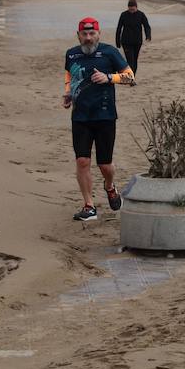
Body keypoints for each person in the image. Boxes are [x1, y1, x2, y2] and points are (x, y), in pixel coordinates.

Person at [63, 17, 136, 221]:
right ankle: (89, 205)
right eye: (84, 34)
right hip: (80, 117)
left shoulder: (110, 52)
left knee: (105, 165)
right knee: (82, 160)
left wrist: (108, 78)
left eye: (91, 34)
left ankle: (109, 185)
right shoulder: (71, 54)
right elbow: (70, 76)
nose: (88, 38)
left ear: (98, 34)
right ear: (78, 35)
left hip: (105, 116)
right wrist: (68, 94)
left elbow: (131, 77)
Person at [115, 0, 151, 74]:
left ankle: (132, 76)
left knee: (134, 60)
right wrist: (117, 41)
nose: (131, 11)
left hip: (137, 41)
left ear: (136, 8)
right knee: (130, 60)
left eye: (133, 10)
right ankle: (131, 78)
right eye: (130, 9)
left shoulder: (141, 15)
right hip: (126, 41)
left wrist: (148, 36)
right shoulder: (124, 15)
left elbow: (146, 26)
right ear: (128, 8)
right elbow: (119, 28)